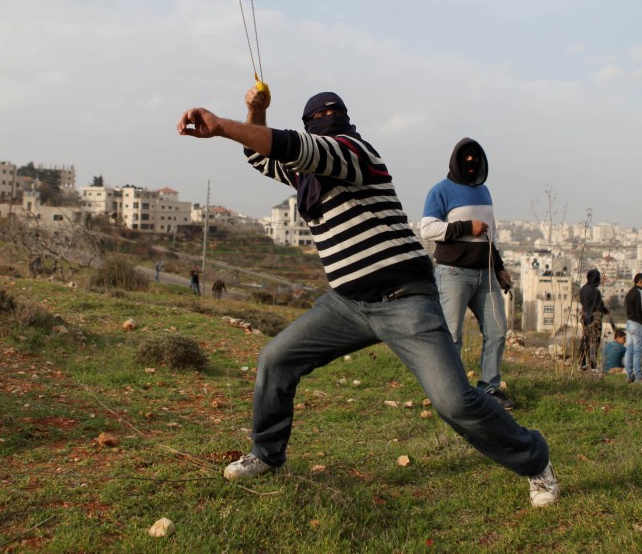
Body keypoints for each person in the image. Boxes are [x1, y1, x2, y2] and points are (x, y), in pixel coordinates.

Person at [177, 87, 558, 507]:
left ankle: (536, 461)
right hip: (347, 304)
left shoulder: (354, 151)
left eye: (332, 114)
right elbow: (261, 152)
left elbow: (291, 145)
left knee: (455, 402)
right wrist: (255, 111)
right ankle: (267, 454)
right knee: (275, 359)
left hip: (405, 299)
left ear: (341, 121)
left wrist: (221, 126)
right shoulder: (305, 177)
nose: (327, 119)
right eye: (319, 116)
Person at [420, 138, 516, 409]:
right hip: (453, 274)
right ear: (455, 160)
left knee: (498, 332)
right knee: (451, 336)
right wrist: (465, 227)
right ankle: (449, 393)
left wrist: (500, 267)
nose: (471, 163)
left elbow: (491, 236)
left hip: (486, 275)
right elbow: (427, 228)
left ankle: (490, 389)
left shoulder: (484, 192)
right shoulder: (441, 190)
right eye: (466, 158)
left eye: (477, 158)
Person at [577, 269, 609, 371]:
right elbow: (598, 306)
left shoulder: (582, 289)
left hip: (585, 317)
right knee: (594, 341)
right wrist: (604, 310)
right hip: (594, 319)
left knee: (585, 340)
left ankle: (582, 363)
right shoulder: (595, 291)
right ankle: (592, 364)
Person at [623, 273, 642, 383]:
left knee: (630, 350)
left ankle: (630, 374)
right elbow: (641, 311)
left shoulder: (629, 292)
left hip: (629, 322)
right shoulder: (640, 293)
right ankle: (639, 376)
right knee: (638, 351)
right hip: (637, 324)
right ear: (641, 281)